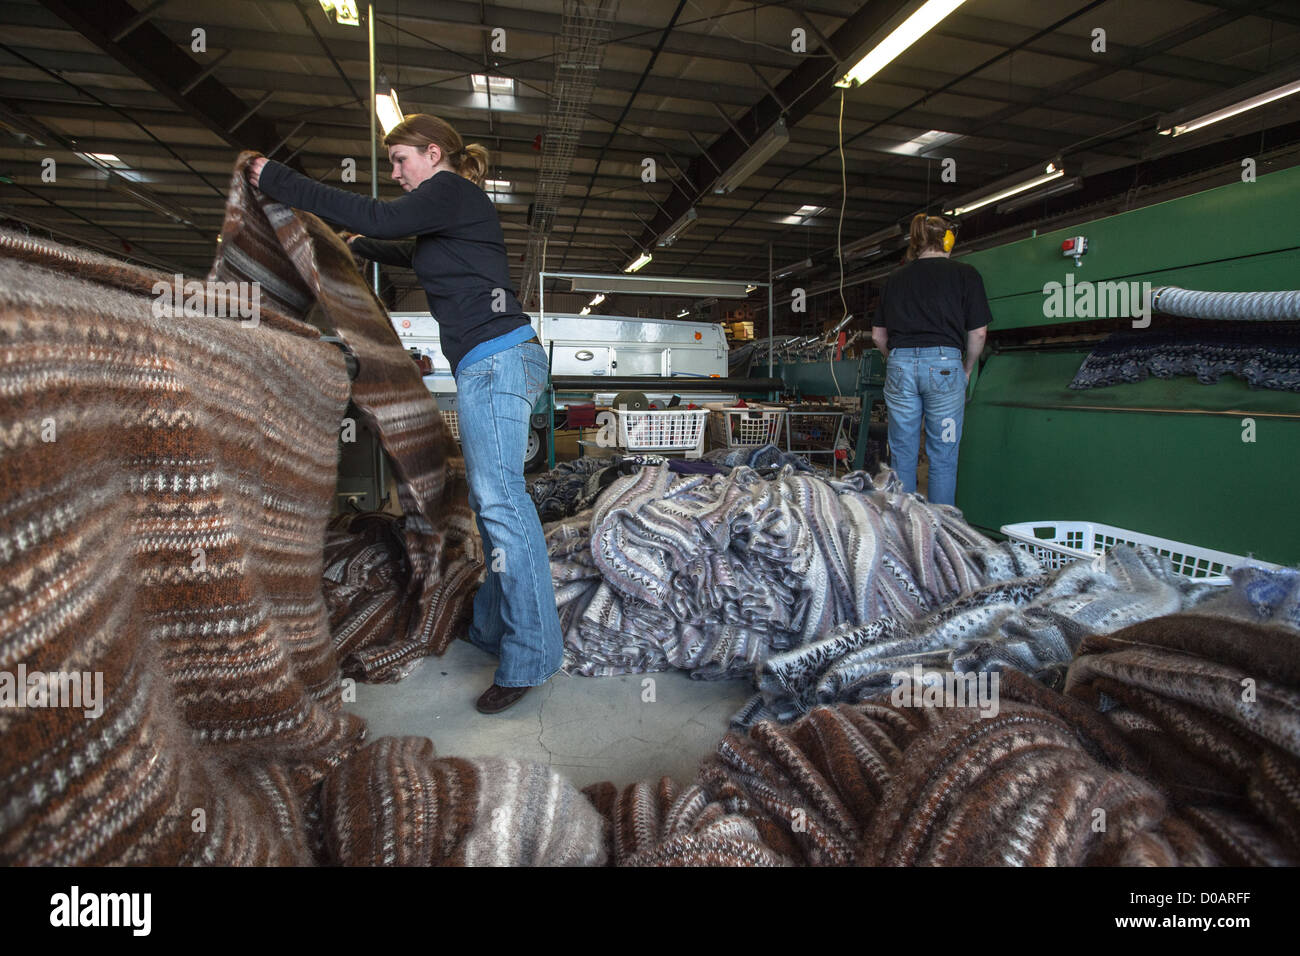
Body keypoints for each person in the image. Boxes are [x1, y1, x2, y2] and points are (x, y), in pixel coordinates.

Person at [246, 113, 562, 715]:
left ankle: (535, 654)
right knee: (493, 507)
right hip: (490, 364)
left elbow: (380, 218)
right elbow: (390, 241)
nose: (395, 173)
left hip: (497, 363)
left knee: (502, 504)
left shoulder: (449, 191)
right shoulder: (445, 218)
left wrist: (281, 181)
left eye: (400, 160)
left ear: (434, 153)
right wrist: (342, 241)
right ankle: (495, 629)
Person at [870, 214, 991, 506]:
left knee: (902, 454)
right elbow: (978, 332)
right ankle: (941, 533)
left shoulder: (894, 279)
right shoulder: (965, 274)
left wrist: (896, 361)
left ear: (914, 243)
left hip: (900, 368)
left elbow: (877, 336)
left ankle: (904, 530)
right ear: (947, 240)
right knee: (943, 454)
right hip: (946, 369)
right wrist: (967, 369)